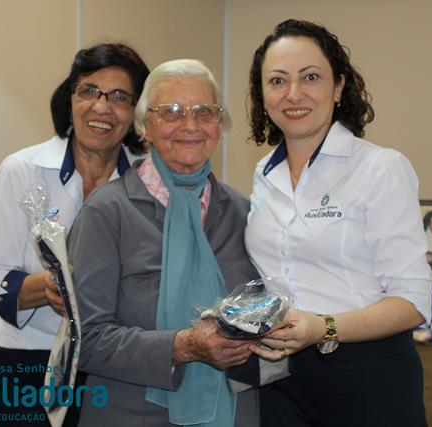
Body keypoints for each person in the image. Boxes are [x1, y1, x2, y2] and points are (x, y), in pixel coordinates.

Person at [244, 19, 432, 426]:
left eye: (310, 77)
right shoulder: (265, 173)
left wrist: (323, 328)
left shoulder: (380, 168)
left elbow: (413, 302)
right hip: (280, 378)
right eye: (277, 80)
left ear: (339, 86)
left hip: (368, 375)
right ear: (262, 94)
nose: (293, 93)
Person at [67, 59, 260, 427]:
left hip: (233, 413)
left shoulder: (243, 212)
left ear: (219, 127)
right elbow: (86, 340)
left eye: (204, 111)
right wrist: (183, 346)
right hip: (132, 415)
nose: (190, 125)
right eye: (171, 111)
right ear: (145, 127)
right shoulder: (106, 213)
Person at [0, 43, 149, 426]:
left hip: (113, 356)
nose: (102, 107)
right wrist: (49, 286)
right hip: (27, 355)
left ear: (137, 112)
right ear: (69, 100)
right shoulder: (21, 170)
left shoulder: (147, 178)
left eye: (120, 96)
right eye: (89, 91)